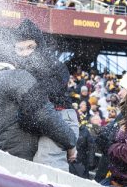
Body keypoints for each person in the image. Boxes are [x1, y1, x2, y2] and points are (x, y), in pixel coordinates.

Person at [0, 62, 77, 162]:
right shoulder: (13, 76)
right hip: (21, 157)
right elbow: (43, 114)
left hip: (4, 154)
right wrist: (70, 141)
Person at [11, 19, 78, 171]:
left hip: (60, 117)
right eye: (20, 49)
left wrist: (68, 140)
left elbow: (40, 98)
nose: (25, 53)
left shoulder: (53, 65)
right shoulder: (18, 70)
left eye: (30, 47)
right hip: (37, 121)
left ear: (39, 46)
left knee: (46, 164)